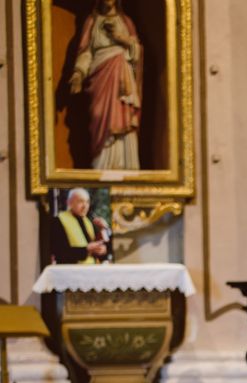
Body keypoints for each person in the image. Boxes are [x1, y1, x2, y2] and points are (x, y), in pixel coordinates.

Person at [69, 0, 142, 170]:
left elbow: (137, 53)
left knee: (124, 119)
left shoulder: (126, 22)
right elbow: (86, 51)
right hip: (100, 79)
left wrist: (121, 38)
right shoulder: (92, 21)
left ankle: (125, 166)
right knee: (98, 115)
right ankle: (102, 165)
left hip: (123, 80)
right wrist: (79, 73)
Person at [51, 188, 112, 264]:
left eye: (87, 202)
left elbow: (103, 247)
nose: (85, 206)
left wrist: (102, 250)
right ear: (69, 203)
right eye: (80, 201)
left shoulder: (88, 222)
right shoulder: (58, 221)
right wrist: (86, 249)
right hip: (69, 270)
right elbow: (60, 252)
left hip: (90, 270)